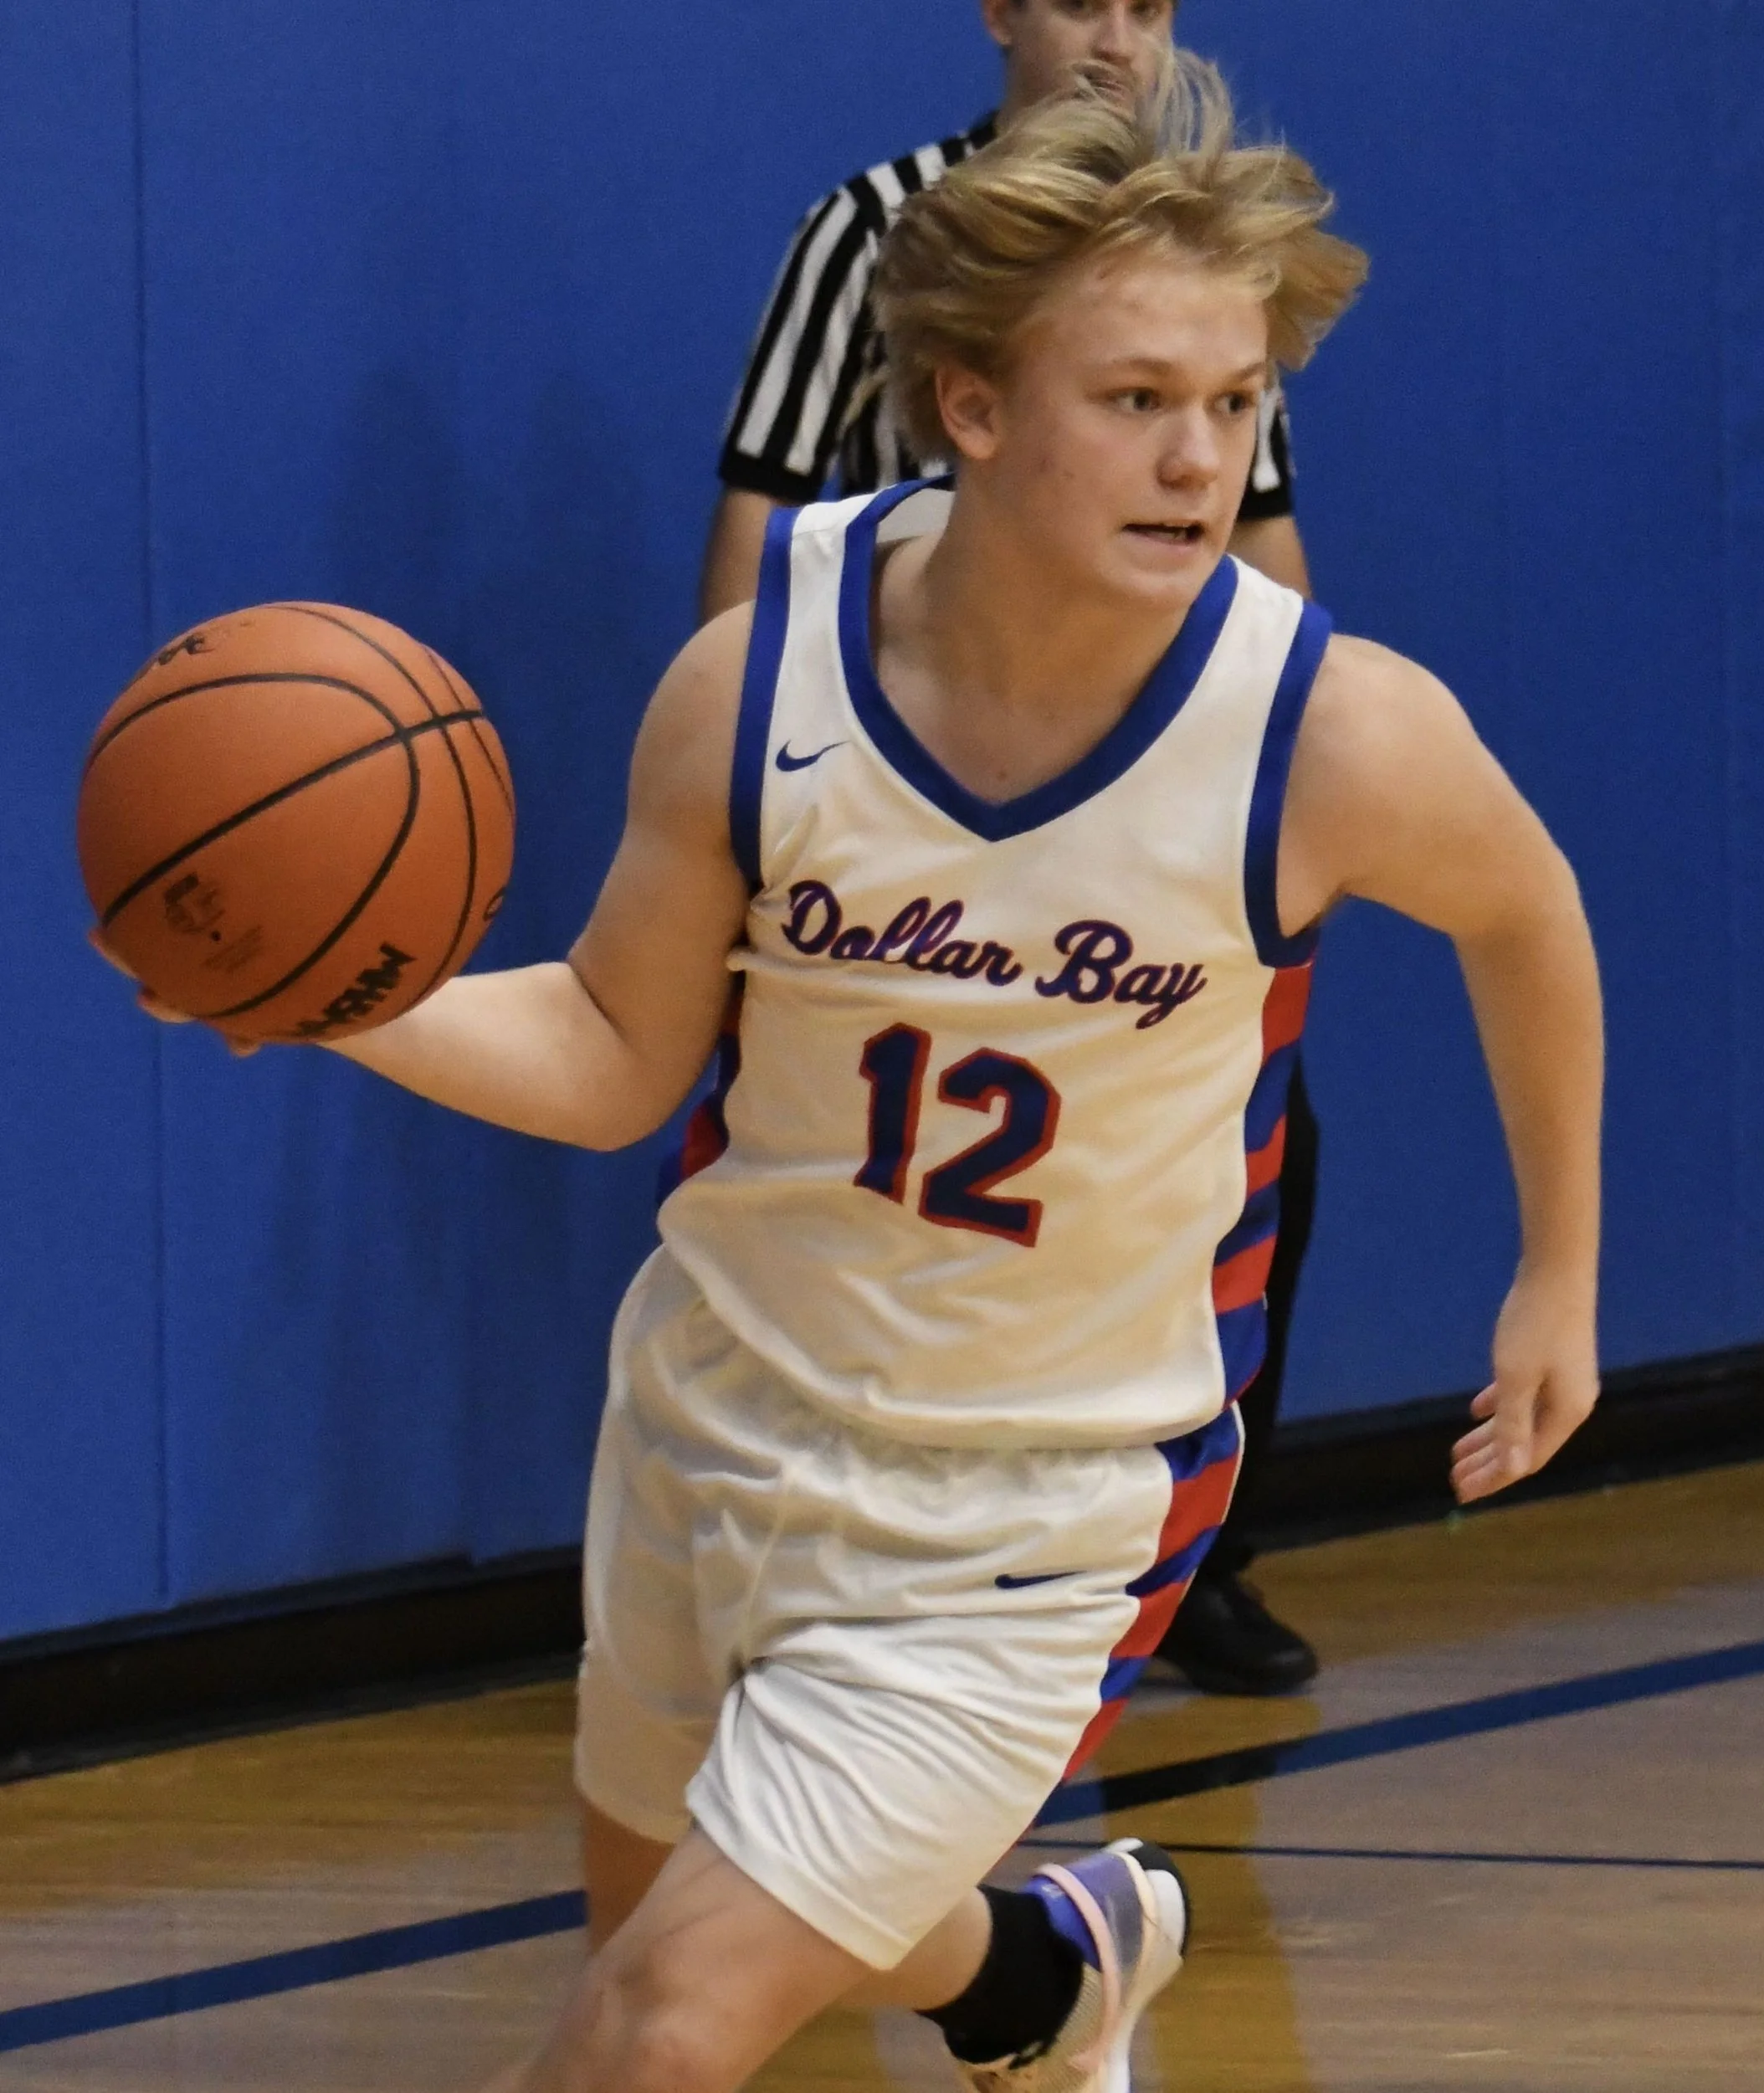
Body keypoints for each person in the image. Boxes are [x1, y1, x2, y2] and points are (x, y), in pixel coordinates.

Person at [107, 59, 1603, 2093]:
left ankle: (1017, 1951)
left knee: (659, 2024)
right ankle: (1040, 1968)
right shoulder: (758, 679)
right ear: (970, 405)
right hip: (715, 1413)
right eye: (1134, 399)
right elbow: (611, 1053)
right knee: (679, 1936)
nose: (1200, 460)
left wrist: (1554, 1273)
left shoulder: (1320, 729)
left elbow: (1527, 914)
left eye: (1234, 401)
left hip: (1036, 1496)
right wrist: (323, 992)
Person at [700, 0, 1325, 1695]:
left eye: (1150, 4)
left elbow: (1266, 550)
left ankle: (1187, 1553)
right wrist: (750, 783)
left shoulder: (1195, 261)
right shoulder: (868, 232)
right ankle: (808, 1541)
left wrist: (1280, 783)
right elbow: (759, 512)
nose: (1119, 35)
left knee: (1249, 1161)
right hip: (907, 794)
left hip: (1128, 812)